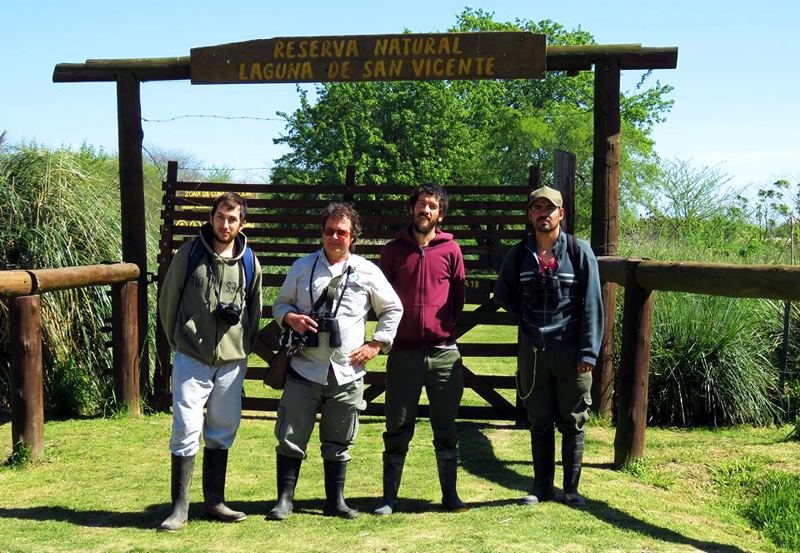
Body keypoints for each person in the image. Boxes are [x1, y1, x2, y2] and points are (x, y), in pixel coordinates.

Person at [268, 202, 403, 520]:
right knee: (290, 435)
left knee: (339, 439)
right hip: (304, 365)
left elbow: (392, 308)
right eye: (329, 231)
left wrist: (377, 345)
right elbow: (279, 303)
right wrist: (290, 318)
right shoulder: (302, 266)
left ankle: (336, 501)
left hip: (347, 370)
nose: (334, 237)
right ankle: (284, 501)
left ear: (352, 235)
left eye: (341, 232)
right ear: (322, 232)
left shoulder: (367, 270)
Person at [157, 192, 262, 531]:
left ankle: (215, 502)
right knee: (186, 428)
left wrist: (242, 348)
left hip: (232, 361)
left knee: (222, 429)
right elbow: (167, 302)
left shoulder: (250, 262)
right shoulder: (189, 254)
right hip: (192, 356)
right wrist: (179, 342)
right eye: (220, 216)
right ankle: (179, 508)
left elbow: (255, 312)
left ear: (242, 223)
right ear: (212, 217)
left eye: (232, 219)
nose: (225, 224)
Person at [493, 186, 603, 507]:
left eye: (549, 208)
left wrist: (587, 352)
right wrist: (527, 320)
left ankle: (571, 489)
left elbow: (593, 305)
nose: (543, 213)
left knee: (573, 421)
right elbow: (504, 295)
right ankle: (541, 487)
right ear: (530, 215)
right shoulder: (518, 254)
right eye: (537, 208)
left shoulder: (580, 252)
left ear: (561, 214)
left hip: (571, 354)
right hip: (534, 354)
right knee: (539, 421)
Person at [375, 184, 468, 515]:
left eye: (431, 206)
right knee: (397, 425)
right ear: (412, 209)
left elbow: (458, 297)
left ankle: (450, 496)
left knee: (446, 426)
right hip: (403, 353)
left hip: (444, 353)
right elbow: (380, 297)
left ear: (439, 214)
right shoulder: (392, 251)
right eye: (420, 205)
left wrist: (441, 326)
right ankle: (389, 498)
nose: (424, 210)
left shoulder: (451, 250)